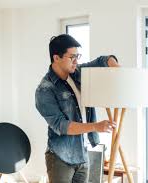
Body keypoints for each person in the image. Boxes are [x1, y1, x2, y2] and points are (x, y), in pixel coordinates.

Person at [35, 34, 119, 183]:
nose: (76, 61)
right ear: (56, 58)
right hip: (61, 158)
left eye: (78, 56)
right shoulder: (45, 90)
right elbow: (62, 126)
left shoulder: (77, 72)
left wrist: (115, 66)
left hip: (82, 153)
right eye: (72, 57)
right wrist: (96, 126)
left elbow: (102, 61)